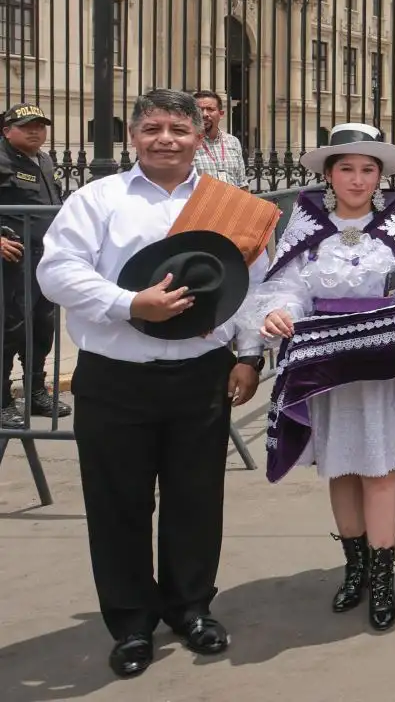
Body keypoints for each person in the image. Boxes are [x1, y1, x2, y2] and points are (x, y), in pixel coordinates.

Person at [37, 88, 278, 680]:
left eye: (178, 128)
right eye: (152, 128)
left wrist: (249, 356)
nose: (165, 138)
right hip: (116, 377)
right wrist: (129, 303)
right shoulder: (97, 200)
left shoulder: (234, 207)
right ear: (133, 137)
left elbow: (256, 287)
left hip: (201, 376)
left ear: (201, 137)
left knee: (196, 497)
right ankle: (130, 623)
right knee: (118, 504)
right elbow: (57, 271)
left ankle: (191, 607)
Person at [254, 123, 395, 631]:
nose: (358, 178)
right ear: (329, 173)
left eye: (368, 169)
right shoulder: (306, 226)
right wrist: (278, 312)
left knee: (380, 467)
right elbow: (286, 287)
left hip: (383, 367)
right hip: (327, 365)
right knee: (342, 465)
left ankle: (385, 576)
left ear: (381, 176)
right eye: (347, 167)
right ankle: (356, 567)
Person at [1, 103, 66, 428]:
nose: (34, 131)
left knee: (42, 325)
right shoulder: (2, 159)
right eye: (26, 125)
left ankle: (36, 390)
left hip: (45, 256)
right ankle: (1, 400)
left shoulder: (43, 159)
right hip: (12, 258)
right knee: (10, 328)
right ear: (6, 130)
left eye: (40, 126)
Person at [191, 89, 247, 188]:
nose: (204, 114)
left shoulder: (233, 142)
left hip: (232, 202)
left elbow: (242, 184)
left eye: (210, 109)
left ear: (221, 114)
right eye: (199, 109)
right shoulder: (188, 143)